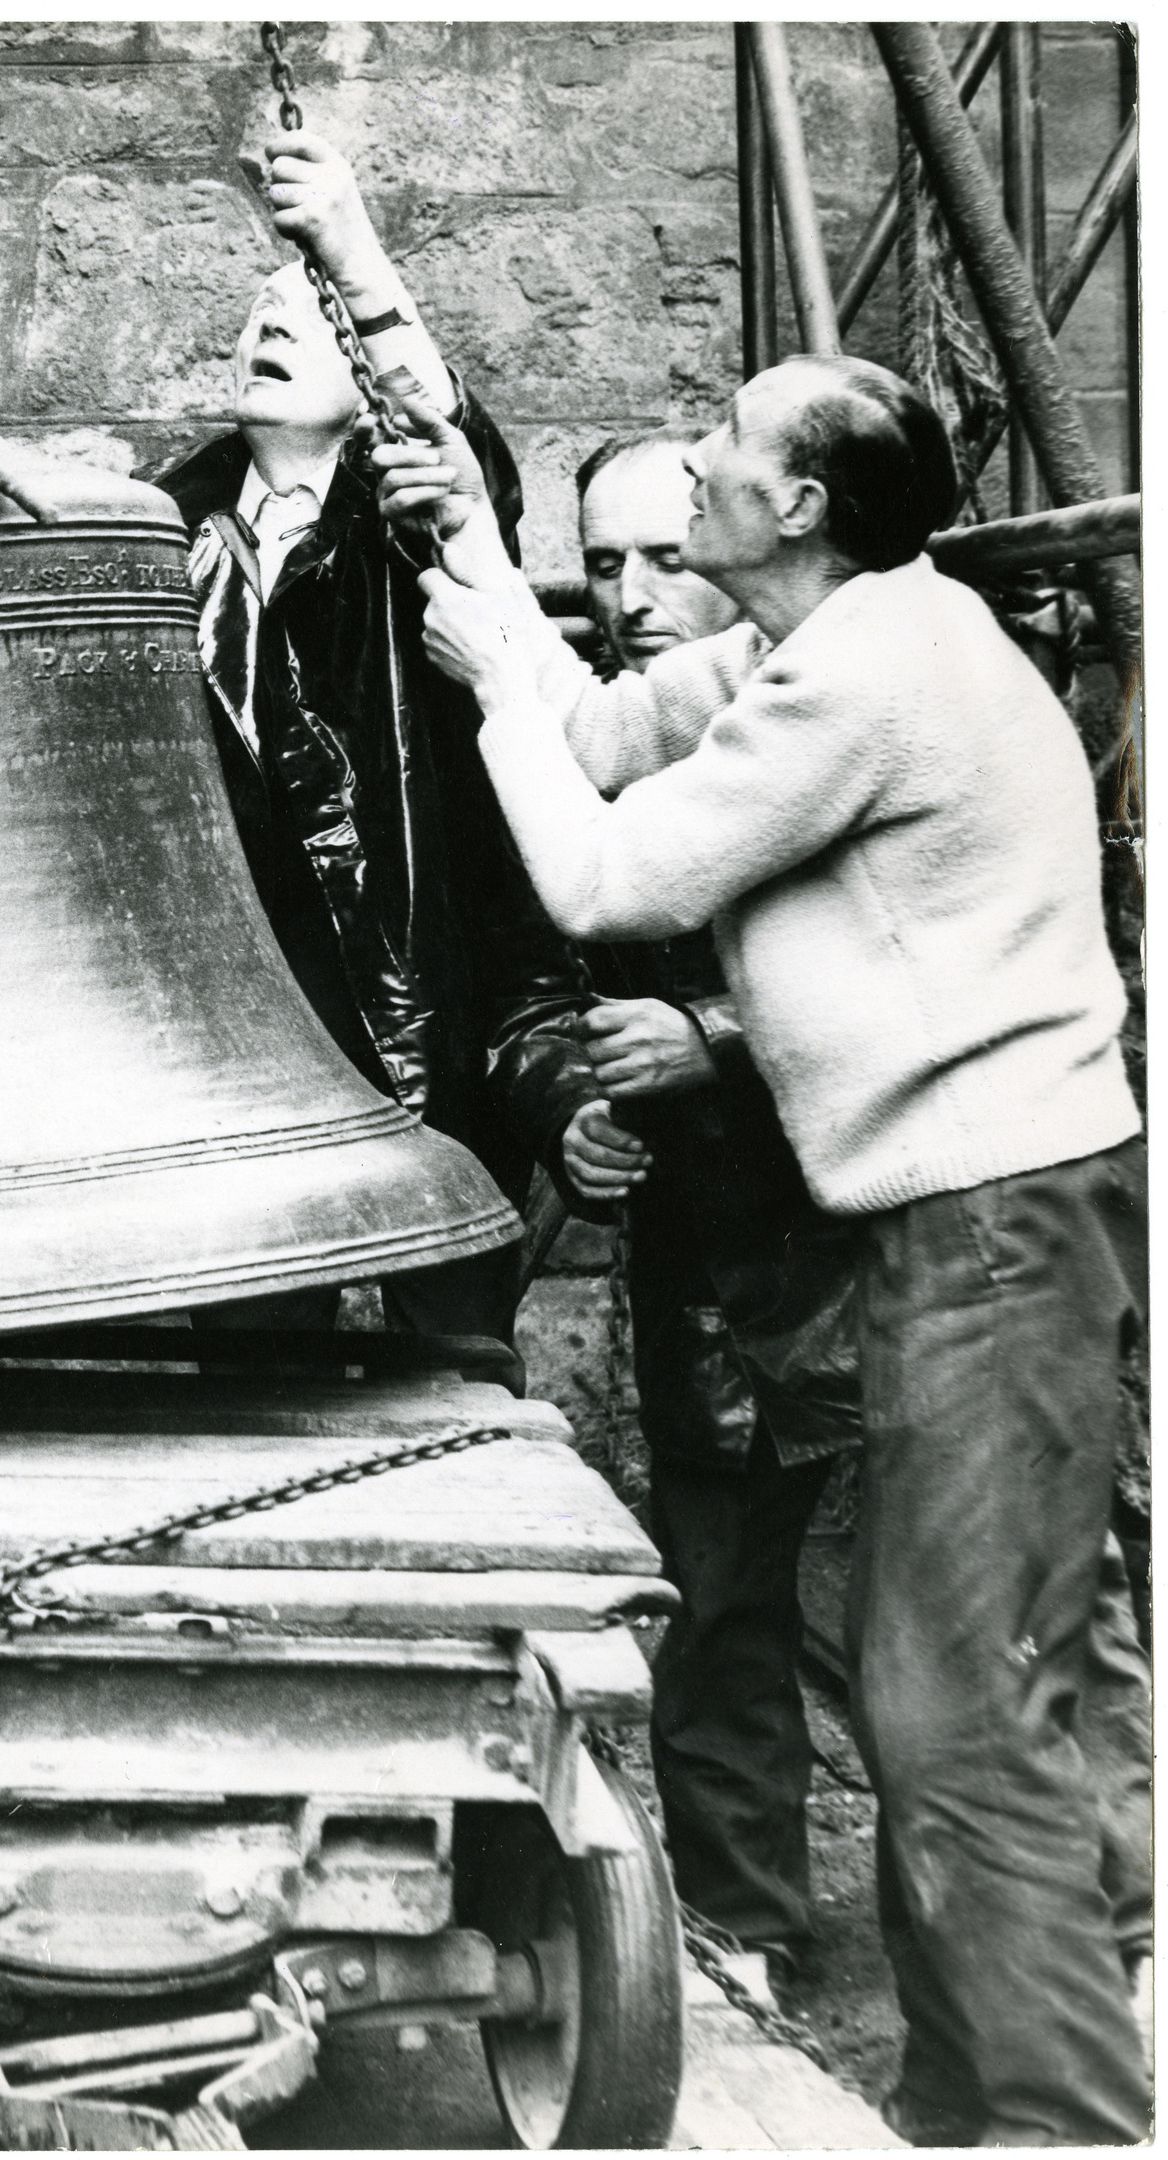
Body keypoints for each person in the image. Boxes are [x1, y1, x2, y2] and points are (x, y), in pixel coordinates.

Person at [389, 354, 1150, 2144]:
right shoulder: (811, 646)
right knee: (945, 1690)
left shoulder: (881, 671)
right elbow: (588, 731)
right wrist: (486, 578)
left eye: (729, 447)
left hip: (1000, 1224)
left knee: (963, 1714)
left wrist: (499, 684)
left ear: (797, 506)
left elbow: (607, 881)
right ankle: (972, 2103)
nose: (705, 459)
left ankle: (1064, 2123)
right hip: (957, 1224)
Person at [156, 132, 598, 1348]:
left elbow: (446, 429)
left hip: (418, 992)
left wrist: (344, 245)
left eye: (306, 311)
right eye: (257, 308)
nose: (273, 320)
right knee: (249, 1357)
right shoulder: (161, 526)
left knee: (451, 1350)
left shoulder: (417, 511)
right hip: (244, 1007)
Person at [565, 429, 862, 1996]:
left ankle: (1103, 1932)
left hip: (882, 1240)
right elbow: (542, 980)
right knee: (723, 1606)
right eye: (599, 565)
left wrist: (714, 1045)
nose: (627, 595)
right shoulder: (603, 746)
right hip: (711, 1261)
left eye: (661, 557)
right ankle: (744, 1925)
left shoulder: (844, 698)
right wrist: (576, 1109)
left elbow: (915, 963)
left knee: (931, 1619)